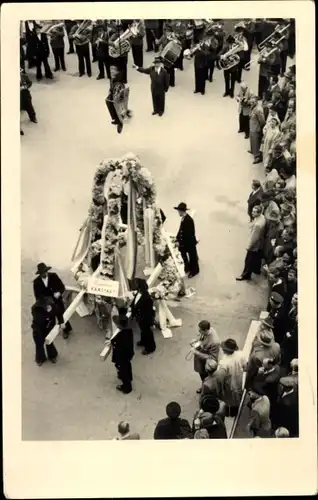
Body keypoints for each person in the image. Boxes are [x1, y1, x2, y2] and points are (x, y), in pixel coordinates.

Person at [33, 262, 72, 339]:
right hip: (47, 303)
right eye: (42, 273)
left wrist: (59, 293)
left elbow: (62, 287)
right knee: (50, 318)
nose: (44, 274)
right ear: (40, 274)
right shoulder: (36, 282)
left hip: (57, 300)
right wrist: (44, 304)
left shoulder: (53, 276)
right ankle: (51, 331)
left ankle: (66, 330)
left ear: (47, 271)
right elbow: (37, 296)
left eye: (45, 272)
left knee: (61, 316)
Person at [236, 205, 266, 281]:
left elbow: (254, 237)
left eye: (254, 212)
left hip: (255, 245)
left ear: (259, 213)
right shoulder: (262, 218)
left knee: (248, 260)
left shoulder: (257, 225)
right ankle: (256, 270)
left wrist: (249, 246)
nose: (252, 213)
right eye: (252, 211)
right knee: (256, 258)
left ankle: (245, 275)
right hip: (260, 243)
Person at [31, 296, 63, 366]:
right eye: (47, 307)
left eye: (49, 305)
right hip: (38, 328)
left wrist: (61, 322)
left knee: (49, 342)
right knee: (39, 344)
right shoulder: (35, 309)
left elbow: (59, 313)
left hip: (49, 327)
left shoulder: (52, 306)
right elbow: (39, 320)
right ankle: (40, 358)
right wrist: (48, 314)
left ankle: (52, 356)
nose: (49, 307)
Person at [218, 338, 247, 416]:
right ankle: (235, 411)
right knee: (237, 398)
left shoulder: (224, 362)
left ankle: (229, 412)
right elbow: (245, 367)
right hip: (239, 380)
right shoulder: (241, 354)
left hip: (229, 384)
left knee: (229, 399)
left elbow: (221, 376)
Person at [191, 320, 221, 393]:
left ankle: (208, 390)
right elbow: (202, 337)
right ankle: (204, 386)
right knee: (202, 376)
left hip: (207, 364)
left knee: (208, 378)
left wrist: (197, 353)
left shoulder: (215, 342)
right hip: (201, 360)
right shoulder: (207, 331)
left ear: (206, 330)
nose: (199, 331)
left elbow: (213, 358)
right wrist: (196, 341)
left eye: (200, 330)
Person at [111, 308, 135, 394]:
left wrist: (112, 342)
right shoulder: (128, 330)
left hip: (122, 356)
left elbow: (118, 347)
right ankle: (129, 377)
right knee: (127, 367)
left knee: (123, 370)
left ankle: (127, 387)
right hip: (128, 355)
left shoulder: (122, 335)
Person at [130, 278, 156, 355]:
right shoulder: (139, 293)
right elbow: (134, 302)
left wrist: (149, 322)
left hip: (145, 318)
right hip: (140, 317)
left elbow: (148, 312)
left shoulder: (147, 298)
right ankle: (143, 341)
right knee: (143, 331)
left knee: (147, 332)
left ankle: (150, 347)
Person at [251, 357, 281, 422]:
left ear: (269, 365)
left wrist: (260, 374)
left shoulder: (269, 379)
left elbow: (260, 383)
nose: (262, 365)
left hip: (268, 391)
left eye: (264, 364)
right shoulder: (277, 367)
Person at [175, 202, 199, 278]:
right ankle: (187, 267)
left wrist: (181, 242)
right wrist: (177, 238)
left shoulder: (189, 220)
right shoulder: (183, 218)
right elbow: (181, 230)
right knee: (182, 253)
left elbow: (189, 234)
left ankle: (194, 271)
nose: (178, 213)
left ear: (182, 211)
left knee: (192, 257)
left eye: (179, 211)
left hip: (189, 242)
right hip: (184, 241)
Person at [105, 66, 131, 134]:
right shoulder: (112, 78)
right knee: (109, 103)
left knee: (118, 109)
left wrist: (117, 94)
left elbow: (121, 89)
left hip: (118, 96)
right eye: (111, 71)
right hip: (114, 94)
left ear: (117, 71)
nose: (111, 72)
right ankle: (116, 118)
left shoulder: (118, 79)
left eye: (113, 71)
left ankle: (120, 123)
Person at [248, 95, 265, 164]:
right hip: (252, 126)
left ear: (256, 102)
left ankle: (257, 156)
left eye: (253, 102)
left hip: (256, 128)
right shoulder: (253, 107)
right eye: (251, 102)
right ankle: (253, 150)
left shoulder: (258, 109)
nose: (251, 103)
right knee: (252, 140)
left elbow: (262, 121)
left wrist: (259, 128)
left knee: (256, 142)